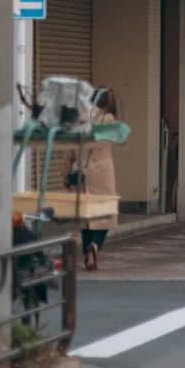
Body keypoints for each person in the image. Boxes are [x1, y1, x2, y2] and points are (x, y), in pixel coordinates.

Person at [66, 89, 119, 272]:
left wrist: (66, 172)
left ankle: (86, 252)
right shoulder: (109, 119)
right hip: (102, 170)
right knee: (105, 215)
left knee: (86, 217)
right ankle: (94, 247)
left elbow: (70, 149)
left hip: (80, 170)